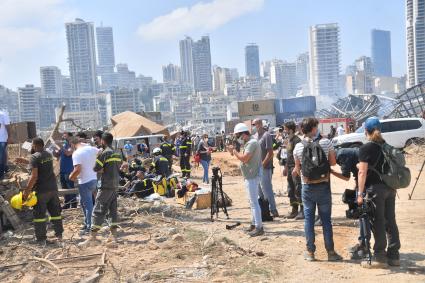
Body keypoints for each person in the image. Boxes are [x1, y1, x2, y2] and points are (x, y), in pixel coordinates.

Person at [293, 117, 342, 262]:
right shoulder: (326, 142)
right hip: (323, 186)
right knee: (326, 220)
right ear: (314, 128)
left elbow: (297, 168)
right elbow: (333, 163)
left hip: (307, 187)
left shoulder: (298, 146)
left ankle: (310, 253)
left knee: (308, 220)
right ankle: (331, 253)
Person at [357, 117, 400, 267]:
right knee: (390, 220)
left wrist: (359, 194)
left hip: (375, 190)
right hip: (390, 188)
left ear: (366, 131)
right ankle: (394, 256)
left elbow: (362, 173)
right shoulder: (386, 146)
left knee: (378, 221)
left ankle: (380, 257)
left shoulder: (366, 148)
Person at [79, 132, 123, 247]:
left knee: (98, 210)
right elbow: (120, 167)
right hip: (114, 186)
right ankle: (114, 236)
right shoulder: (117, 153)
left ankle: (92, 238)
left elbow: (96, 168)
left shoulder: (104, 153)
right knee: (112, 211)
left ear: (103, 141)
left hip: (105, 186)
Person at [23, 138, 63, 245]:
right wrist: (26, 161)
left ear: (35, 145)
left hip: (41, 191)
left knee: (39, 216)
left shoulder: (34, 157)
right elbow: (41, 164)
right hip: (53, 189)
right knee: (55, 213)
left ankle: (41, 239)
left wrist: (26, 191)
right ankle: (59, 235)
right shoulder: (48, 155)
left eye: (32, 145)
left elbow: (34, 176)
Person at [227, 123, 264, 237]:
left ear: (243, 134)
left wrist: (235, 152)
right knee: (252, 202)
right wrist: (232, 151)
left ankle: (259, 227)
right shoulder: (249, 143)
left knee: (254, 203)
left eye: (238, 136)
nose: (239, 139)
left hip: (252, 176)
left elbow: (244, 158)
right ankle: (254, 224)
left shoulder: (252, 143)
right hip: (250, 175)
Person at [331, 147, 364, 259]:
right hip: (365, 177)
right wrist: (357, 187)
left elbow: (346, 177)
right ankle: (362, 243)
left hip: (368, 180)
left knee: (363, 214)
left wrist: (331, 172)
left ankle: (363, 246)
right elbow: (356, 172)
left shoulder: (341, 156)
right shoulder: (342, 152)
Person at [69, 136, 99, 234]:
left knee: (88, 206)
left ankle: (89, 227)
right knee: (83, 202)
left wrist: (71, 177)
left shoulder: (76, 153)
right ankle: (87, 223)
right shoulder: (92, 149)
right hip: (93, 179)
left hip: (84, 181)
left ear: (73, 144)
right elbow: (101, 153)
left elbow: (78, 169)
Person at [253, 119, 279, 218]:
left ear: (260, 124)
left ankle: (273, 209)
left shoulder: (266, 135)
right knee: (259, 190)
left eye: (256, 124)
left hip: (265, 167)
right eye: (254, 124)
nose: (255, 126)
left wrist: (262, 164)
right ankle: (265, 210)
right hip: (256, 167)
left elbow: (270, 153)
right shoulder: (255, 137)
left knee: (267, 189)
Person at [283, 121, 303, 220]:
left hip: (296, 168)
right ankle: (294, 210)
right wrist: (286, 167)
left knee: (298, 189)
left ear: (290, 130)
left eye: (285, 129)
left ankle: (302, 211)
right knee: (291, 190)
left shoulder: (297, 140)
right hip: (290, 167)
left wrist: (296, 167)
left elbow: (299, 156)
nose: (284, 131)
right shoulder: (289, 140)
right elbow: (288, 155)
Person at [53, 132, 77, 209]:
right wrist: (55, 149)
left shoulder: (72, 144)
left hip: (69, 170)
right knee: (64, 187)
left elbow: (68, 153)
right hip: (62, 170)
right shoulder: (64, 145)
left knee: (70, 188)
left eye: (65, 135)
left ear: (70, 137)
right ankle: (67, 203)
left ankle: (73, 204)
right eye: (63, 135)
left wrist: (60, 146)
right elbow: (57, 155)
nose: (63, 137)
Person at [0, 110, 11, 180]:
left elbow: (8, 126)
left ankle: (1, 174)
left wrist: (9, 136)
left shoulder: (3, 114)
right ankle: (6, 168)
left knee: (1, 158)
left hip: (2, 139)